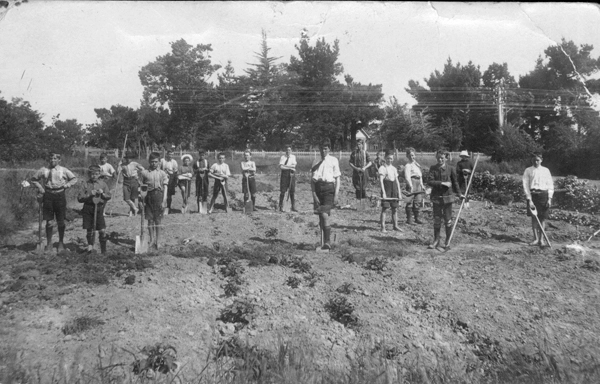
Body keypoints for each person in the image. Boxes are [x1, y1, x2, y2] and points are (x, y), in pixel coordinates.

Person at [30, 152, 78, 253]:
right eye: (51, 159)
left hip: (60, 195)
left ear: (59, 160)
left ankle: (61, 243)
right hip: (48, 196)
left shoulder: (63, 170)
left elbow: (74, 179)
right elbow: (34, 179)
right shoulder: (44, 170)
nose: (52, 161)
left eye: (55, 159)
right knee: (49, 222)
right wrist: (40, 188)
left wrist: (66, 185)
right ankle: (49, 243)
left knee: (61, 221)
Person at [427, 149, 463, 250]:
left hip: (448, 198)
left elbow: (455, 182)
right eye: (438, 158)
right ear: (436, 157)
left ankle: (447, 241)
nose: (440, 159)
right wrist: (442, 183)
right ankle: (436, 240)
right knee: (437, 220)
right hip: (437, 198)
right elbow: (429, 181)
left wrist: (460, 194)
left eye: (442, 158)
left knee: (448, 220)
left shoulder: (451, 169)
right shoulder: (433, 168)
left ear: (445, 158)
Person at [311, 142, 341, 250]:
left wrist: (336, 194)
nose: (323, 151)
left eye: (325, 149)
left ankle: (328, 242)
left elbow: (337, 178)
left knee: (324, 214)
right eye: (321, 149)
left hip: (329, 189)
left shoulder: (333, 160)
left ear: (329, 149)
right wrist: (314, 195)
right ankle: (322, 242)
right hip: (318, 189)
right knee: (320, 216)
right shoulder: (315, 161)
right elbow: (312, 181)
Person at [77, 165, 111, 254]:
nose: (94, 176)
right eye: (92, 174)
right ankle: (90, 248)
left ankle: (103, 250)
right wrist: (89, 194)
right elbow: (80, 198)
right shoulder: (85, 184)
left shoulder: (103, 184)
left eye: (96, 174)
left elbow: (109, 196)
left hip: (99, 208)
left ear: (99, 174)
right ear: (89, 174)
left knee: (102, 230)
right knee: (89, 230)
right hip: (88, 208)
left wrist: (102, 193)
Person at [522, 152, 554, 247]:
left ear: (541, 160)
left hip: (543, 195)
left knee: (542, 219)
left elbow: (550, 185)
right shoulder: (528, 170)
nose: (536, 162)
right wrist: (529, 199)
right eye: (534, 160)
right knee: (534, 219)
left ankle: (542, 240)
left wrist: (549, 199)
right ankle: (535, 239)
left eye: (538, 160)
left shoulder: (546, 170)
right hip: (533, 196)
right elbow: (525, 186)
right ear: (531, 160)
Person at [139, 152, 169, 250]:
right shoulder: (145, 173)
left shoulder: (162, 173)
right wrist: (141, 200)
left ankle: (158, 240)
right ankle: (151, 239)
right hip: (148, 196)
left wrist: (164, 200)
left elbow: (165, 186)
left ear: (159, 162)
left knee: (158, 220)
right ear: (149, 162)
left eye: (156, 162)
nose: (154, 164)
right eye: (152, 162)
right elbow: (141, 187)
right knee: (150, 220)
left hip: (159, 196)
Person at [379, 151, 402, 232]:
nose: (390, 160)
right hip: (387, 188)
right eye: (388, 158)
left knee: (394, 208)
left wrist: (399, 193)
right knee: (385, 208)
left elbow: (397, 182)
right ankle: (383, 227)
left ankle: (395, 226)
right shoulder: (382, 168)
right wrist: (384, 192)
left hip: (394, 188)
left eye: (391, 159)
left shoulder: (394, 169)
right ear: (385, 158)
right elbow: (381, 181)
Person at [403, 147, 425, 224]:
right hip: (412, 182)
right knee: (409, 201)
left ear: (415, 155)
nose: (412, 157)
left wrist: (422, 184)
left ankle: (416, 218)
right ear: (407, 156)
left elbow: (420, 175)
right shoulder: (408, 165)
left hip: (418, 182)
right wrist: (410, 185)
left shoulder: (417, 164)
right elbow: (407, 176)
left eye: (413, 155)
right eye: (410, 155)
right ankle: (409, 219)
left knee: (418, 200)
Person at [279, 145, 297, 212]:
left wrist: (286, 166)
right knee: (283, 191)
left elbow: (294, 165)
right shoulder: (283, 157)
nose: (288, 151)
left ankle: (293, 206)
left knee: (292, 191)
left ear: (291, 151)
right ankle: (280, 206)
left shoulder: (293, 157)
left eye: (289, 150)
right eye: (287, 150)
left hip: (291, 174)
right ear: (285, 151)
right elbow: (281, 167)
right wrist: (290, 167)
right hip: (284, 175)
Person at [160, 149, 178, 214]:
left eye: (172, 155)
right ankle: (162, 207)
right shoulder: (163, 160)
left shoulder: (174, 162)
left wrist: (175, 182)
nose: (170, 156)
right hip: (163, 178)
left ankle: (168, 207)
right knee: (162, 193)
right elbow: (159, 169)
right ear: (167, 154)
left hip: (171, 178)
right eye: (169, 154)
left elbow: (175, 172)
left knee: (169, 194)